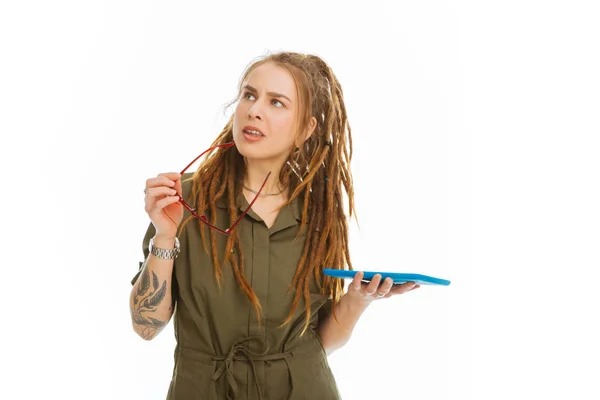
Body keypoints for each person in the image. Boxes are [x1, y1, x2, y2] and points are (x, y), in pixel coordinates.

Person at [129, 51, 420, 400]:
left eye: (276, 102)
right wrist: (165, 233)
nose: (254, 109)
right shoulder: (184, 202)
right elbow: (145, 327)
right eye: (249, 95)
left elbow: (321, 342)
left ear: (305, 129)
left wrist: (358, 299)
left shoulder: (317, 216)